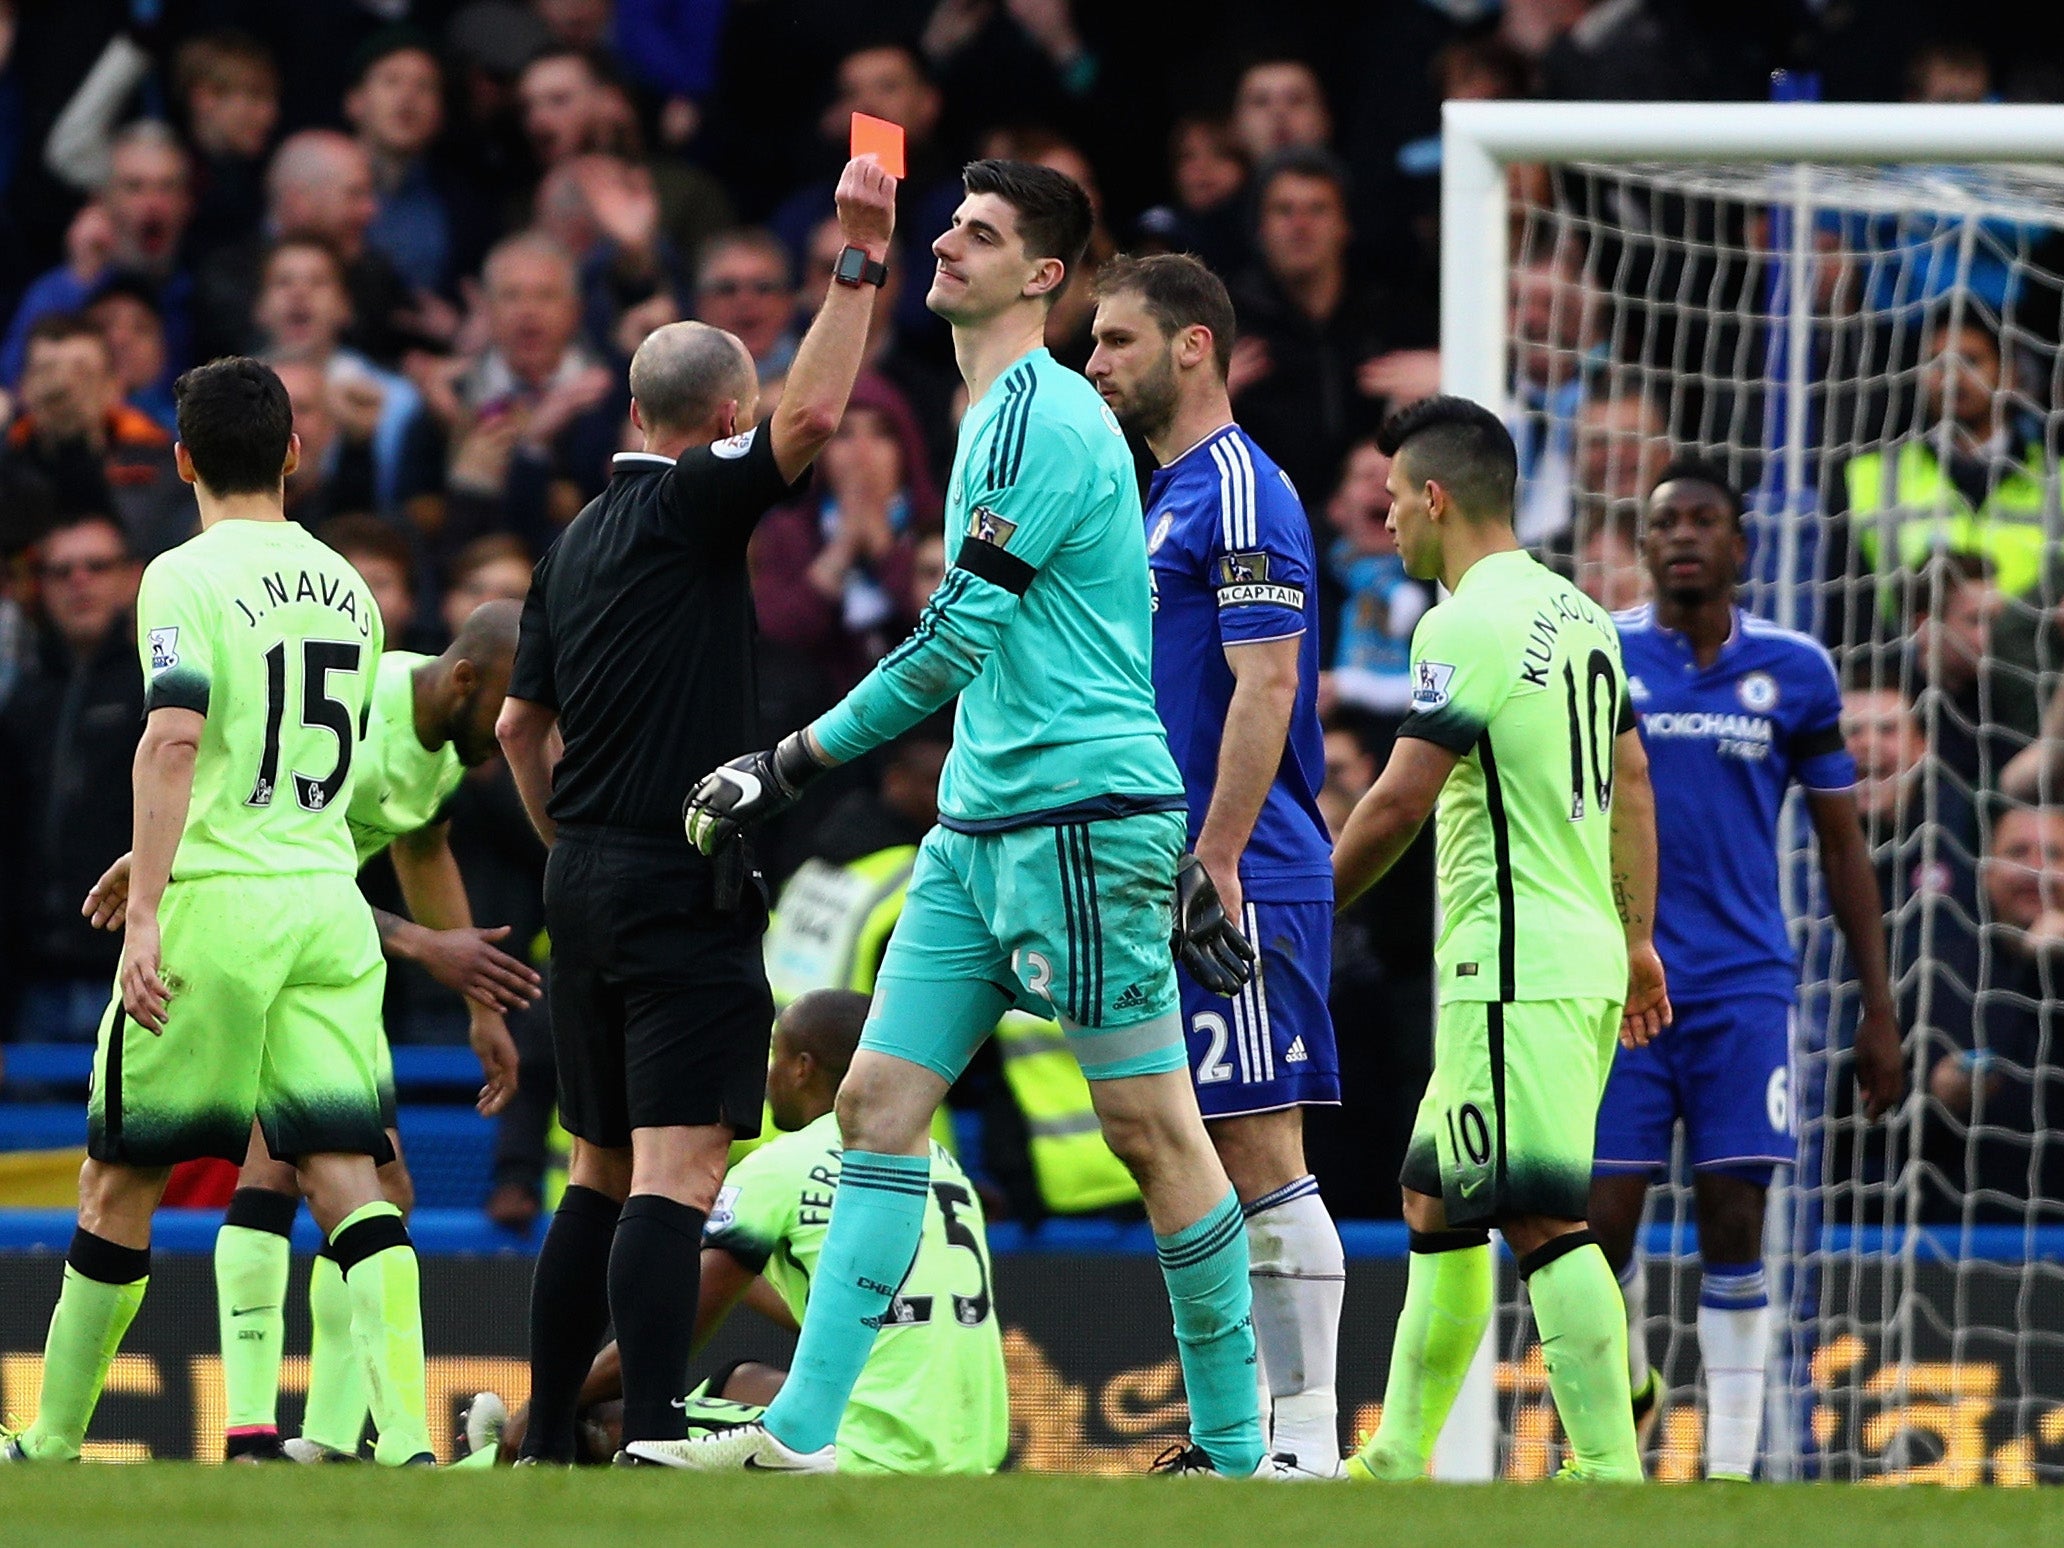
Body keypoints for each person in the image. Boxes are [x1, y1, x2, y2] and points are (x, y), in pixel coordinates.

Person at [672, 159, 1271, 1479]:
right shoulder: (989, 403)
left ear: (1044, 277)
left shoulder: (1039, 417)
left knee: (1153, 1134)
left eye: (981, 233)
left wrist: (785, 763)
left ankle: (1242, 1454)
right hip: (983, 819)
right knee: (878, 1106)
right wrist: (862, 258)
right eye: (951, 222)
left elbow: (951, 644)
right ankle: (801, 1437)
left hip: (1076, 814)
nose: (951, 241)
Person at [494, 154, 894, 1466]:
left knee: (596, 1172)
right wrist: (857, 257)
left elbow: (515, 728)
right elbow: (818, 415)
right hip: (679, 879)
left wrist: (576, 854)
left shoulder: (567, 546)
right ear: (719, 414)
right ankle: (658, 1428)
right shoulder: (686, 512)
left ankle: (553, 1431)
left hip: (583, 887)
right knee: (678, 1174)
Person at [0, 358, 431, 1466]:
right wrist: (144, 852)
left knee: (118, 1182)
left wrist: (148, 910)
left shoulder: (182, 575)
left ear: (183, 458)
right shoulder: (350, 585)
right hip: (328, 905)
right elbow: (280, 765)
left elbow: (183, 738)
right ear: (294, 453)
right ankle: (415, 1446)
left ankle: (47, 1447)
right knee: (347, 1176)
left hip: (222, 915)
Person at [81, 601, 536, 1460]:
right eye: (513, 701)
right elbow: (273, 848)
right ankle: (263, 1431)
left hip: (318, 953)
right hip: (261, 936)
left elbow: (423, 848)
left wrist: (477, 1000)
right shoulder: (363, 712)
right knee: (295, 1168)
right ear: (466, 677)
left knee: (361, 1184)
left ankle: (309, 1440)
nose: (516, 726)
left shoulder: (439, 750)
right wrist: (422, 945)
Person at [1329, 394, 1667, 1483]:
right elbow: (1634, 782)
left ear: (1435, 498)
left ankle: (1610, 1467)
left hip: (1512, 966)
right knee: (1434, 1196)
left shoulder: (1461, 622)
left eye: (1391, 504)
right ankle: (1397, 1460)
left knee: (1529, 1210)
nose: (1385, 526)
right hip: (1576, 954)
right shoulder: (1584, 615)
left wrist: (1302, 911)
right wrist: (1641, 940)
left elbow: (1397, 800)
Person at [1590, 461, 1904, 1480]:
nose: (1682, 535)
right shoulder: (1599, 655)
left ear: (1740, 546)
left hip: (1742, 987)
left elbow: (1843, 845)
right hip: (1622, 987)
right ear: (1641, 545)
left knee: (1735, 1216)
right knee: (1601, 1225)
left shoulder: (1797, 669)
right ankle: (1628, 1399)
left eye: (1703, 520)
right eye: (1663, 521)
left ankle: (1730, 1472)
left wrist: (1878, 1007)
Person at [1087, 252, 1345, 1477]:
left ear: (1193, 347)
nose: (1096, 365)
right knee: (1191, 1150)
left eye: (1117, 343)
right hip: (1179, 864)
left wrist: (1219, 858)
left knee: (1255, 1149)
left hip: (1241, 869)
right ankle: (1241, 1438)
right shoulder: (1163, 498)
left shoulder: (1239, 488)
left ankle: (1304, 1444)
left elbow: (1271, 679)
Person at [460, 989, 1008, 1474]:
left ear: (802, 1067)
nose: (766, 1073)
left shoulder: (782, 1165)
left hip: (867, 1447)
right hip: (968, 1444)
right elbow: (854, 1307)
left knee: (614, 1420)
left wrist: (547, 1404)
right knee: (734, 1379)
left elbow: (669, 1335)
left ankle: (494, 1457)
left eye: (774, 1055)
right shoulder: (938, 1164)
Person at [1824, 312, 2051, 649]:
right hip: (1905, 678)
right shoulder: (1866, 476)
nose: (1951, 379)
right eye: (1935, 363)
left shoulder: (2056, 482)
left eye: (1971, 361)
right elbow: (1846, 600)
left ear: (2009, 375)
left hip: (2032, 677)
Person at [0, 515, 144, 1044]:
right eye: (60, 572)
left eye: (96, 567)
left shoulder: (161, 692)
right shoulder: (24, 700)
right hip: (33, 984)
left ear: (132, 578)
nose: (78, 581)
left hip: (138, 975)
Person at [1, 313, 195, 559]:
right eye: (46, 371)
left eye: (82, 372)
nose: (63, 386)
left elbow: (156, 545)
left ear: (113, 386)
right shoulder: (7, 459)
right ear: (23, 388)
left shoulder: (159, 463)